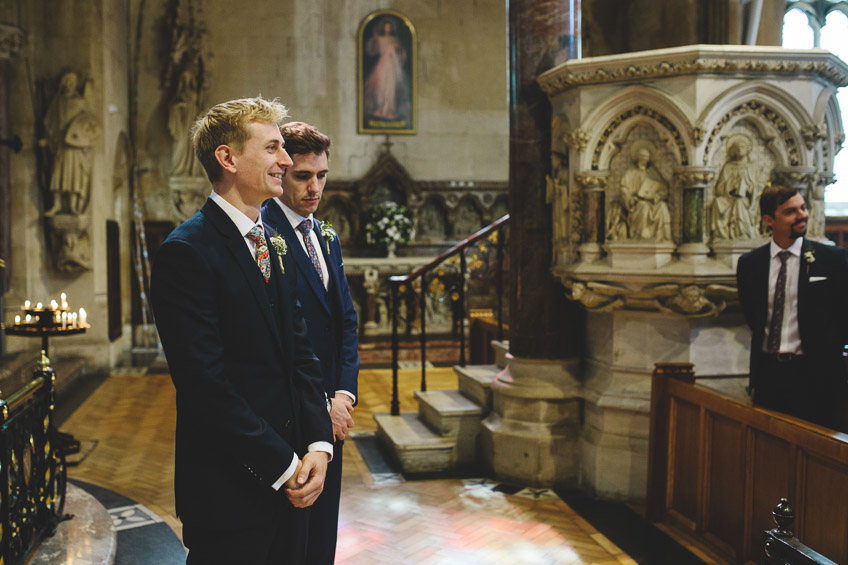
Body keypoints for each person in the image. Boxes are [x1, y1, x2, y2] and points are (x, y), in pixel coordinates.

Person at [150, 97, 333, 564]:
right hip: (230, 490)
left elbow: (301, 354)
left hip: (295, 482)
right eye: (272, 147)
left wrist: (317, 443)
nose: (287, 160)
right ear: (228, 158)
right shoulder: (187, 252)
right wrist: (284, 465)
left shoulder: (272, 242)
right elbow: (204, 384)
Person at [262, 122, 359, 565]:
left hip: (333, 416)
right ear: (280, 172)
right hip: (290, 411)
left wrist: (343, 393)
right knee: (290, 540)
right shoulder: (263, 237)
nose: (315, 187)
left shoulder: (327, 236)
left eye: (321, 175)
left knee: (322, 539)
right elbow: (277, 338)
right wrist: (321, 401)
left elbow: (346, 323)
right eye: (303, 176)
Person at [736, 184, 848, 430]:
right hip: (768, 373)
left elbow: (843, 316)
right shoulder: (750, 264)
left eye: (803, 208)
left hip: (815, 376)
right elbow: (753, 316)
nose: (802, 215)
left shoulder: (833, 260)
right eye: (791, 211)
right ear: (769, 220)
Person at [616, 141, 672, 242]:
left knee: (662, 206)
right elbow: (624, 189)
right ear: (637, 158)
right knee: (643, 206)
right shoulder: (630, 173)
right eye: (642, 159)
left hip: (652, 201)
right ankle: (641, 236)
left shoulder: (652, 172)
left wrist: (655, 196)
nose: (644, 161)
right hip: (637, 203)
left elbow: (663, 188)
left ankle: (661, 238)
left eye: (646, 159)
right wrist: (631, 199)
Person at [711, 134, 759, 240]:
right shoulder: (728, 166)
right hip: (729, 197)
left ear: (747, 150)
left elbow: (756, 188)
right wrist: (731, 185)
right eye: (736, 147)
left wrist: (748, 187)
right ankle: (722, 235)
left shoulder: (751, 167)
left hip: (746, 199)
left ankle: (742, 233)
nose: (739, 149)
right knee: (718, 202)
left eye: (742, 147)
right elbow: (719, 188)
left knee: (740, 201)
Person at [364, 17, 410, 123]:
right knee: (381, 88)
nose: (388, 28)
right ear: (383, 27)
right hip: (382, 66)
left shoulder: (394, 40)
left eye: (389, 27)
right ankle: (380, 108)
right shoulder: (379, 38)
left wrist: (397, 48)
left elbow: (401, 54)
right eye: (386, 26)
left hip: (392, 67)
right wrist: (375, 38)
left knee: (391, 89)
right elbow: (372, 51)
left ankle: (390, 109)